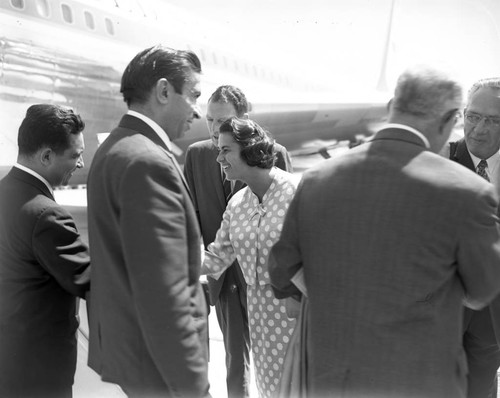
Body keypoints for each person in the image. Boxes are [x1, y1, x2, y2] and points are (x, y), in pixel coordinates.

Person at [269, 66, 500, 398]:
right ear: (451, 120)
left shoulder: (318, 177)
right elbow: (481, 290)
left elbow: (281, 266)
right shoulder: (468, 190)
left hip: (335, 374)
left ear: (393, 106)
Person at [86, 45, 210, 397]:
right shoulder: (148, 161)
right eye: (194, 96)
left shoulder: (117, 146)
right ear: (164, 91)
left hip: (135, 357)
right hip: (162, 369)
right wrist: (194, 388)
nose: (197, 111)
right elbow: (165, 296)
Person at [184, 85, 292, 398]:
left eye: (226, 149)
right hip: (248, 304)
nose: (217, 151)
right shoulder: (237, 204)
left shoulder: (293, 192)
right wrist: (165, 268)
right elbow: (215, 255)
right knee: (253, 375)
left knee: (292, 382)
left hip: (288, 308)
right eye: (210, 123)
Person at [0, 104, 90, 398]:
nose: (80, 163)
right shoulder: (46, 216)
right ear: (47, 156)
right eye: (75, 155)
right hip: (39, 374)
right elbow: (90, 280)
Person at [445, 77, 500, 398]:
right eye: (473, 116)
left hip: (492, 315)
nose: (479, 129)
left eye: (493, 120)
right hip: (442, 309)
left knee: (480, 388)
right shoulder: (438, 159)